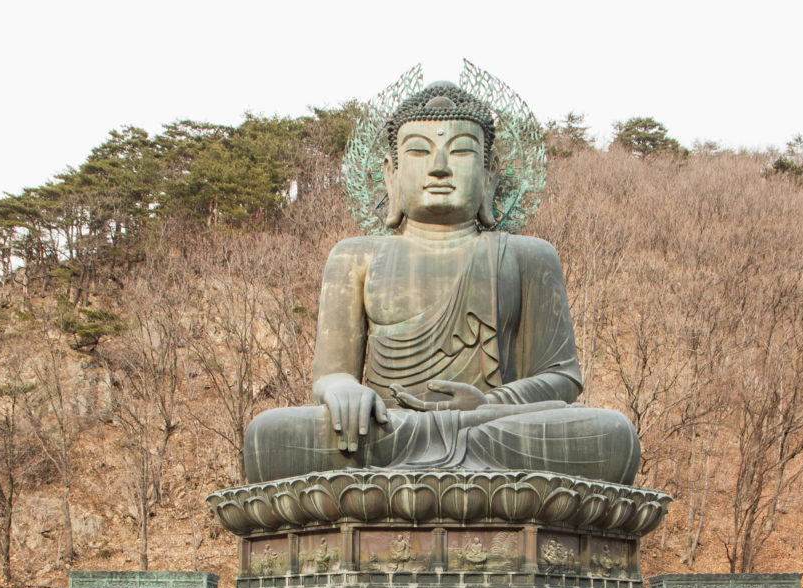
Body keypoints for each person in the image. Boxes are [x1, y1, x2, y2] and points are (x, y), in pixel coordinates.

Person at [241, 81, 641, 485]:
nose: (439, 166)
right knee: (271, 435)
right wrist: (343, 390)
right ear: (390, 174)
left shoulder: (529, 255)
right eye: (417, 151)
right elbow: (331, 374)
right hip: (389, 428)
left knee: (610, 434)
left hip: (491, 427)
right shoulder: (355, 256)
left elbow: (563, 378)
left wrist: (488, 403)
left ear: (489, 175)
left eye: (462, 151)